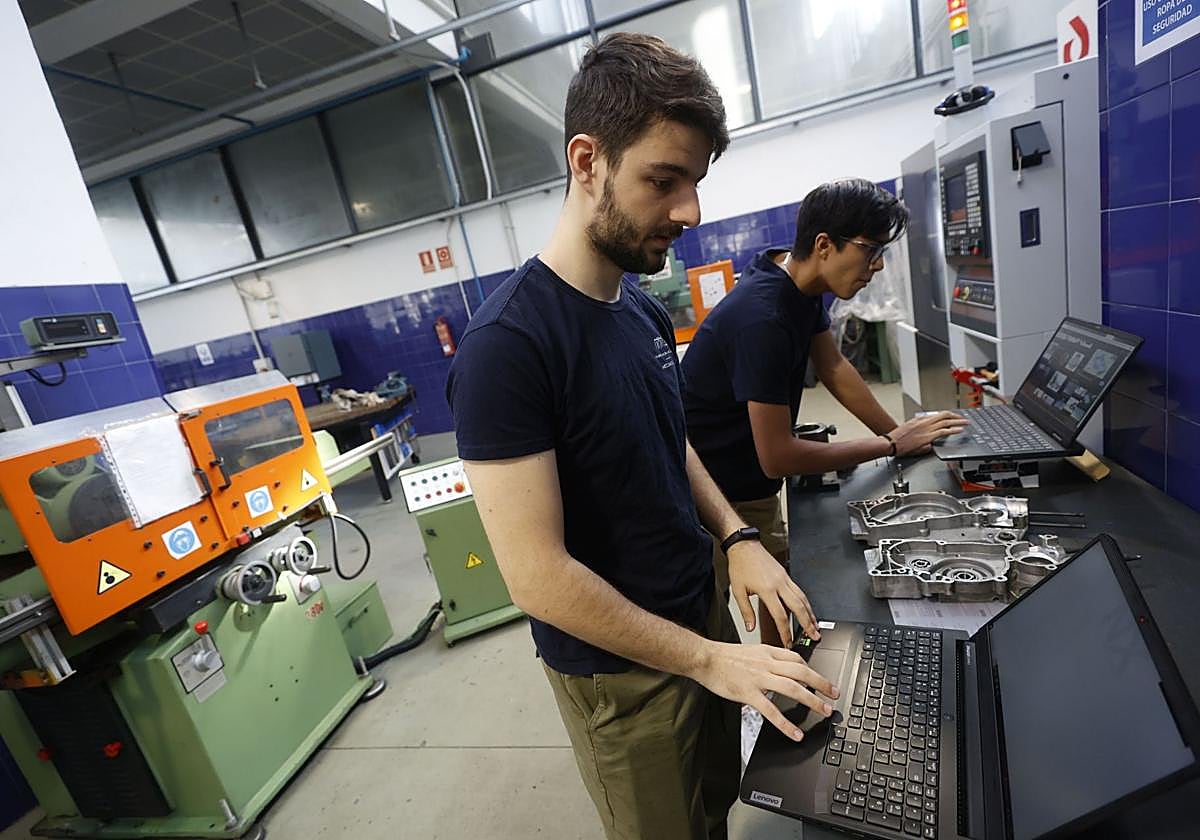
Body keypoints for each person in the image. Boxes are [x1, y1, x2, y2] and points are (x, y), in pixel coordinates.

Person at [446, 33, 839, 840]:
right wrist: (702, 658)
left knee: (717, 806)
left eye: (694, 182)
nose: (690, 211)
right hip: (623, 674)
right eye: (664, 180)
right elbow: (537, 578)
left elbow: (670, 440)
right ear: (587, 160)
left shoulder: (640, 308)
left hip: (696, 617)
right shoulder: (508, 348)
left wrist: (735, 537)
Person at [681, 179, 969, 646]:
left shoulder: (793, 282)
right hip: (707, 499)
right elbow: (778, 455)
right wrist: (892, 444)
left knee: (781, 594)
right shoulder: (764, 318)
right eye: (870, 250)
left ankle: (784, 680)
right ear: (824, 245)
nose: (876, 266)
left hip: (749, 482)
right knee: (713, 625)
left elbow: (834, 366)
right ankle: (760, 701)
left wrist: (902, 433)